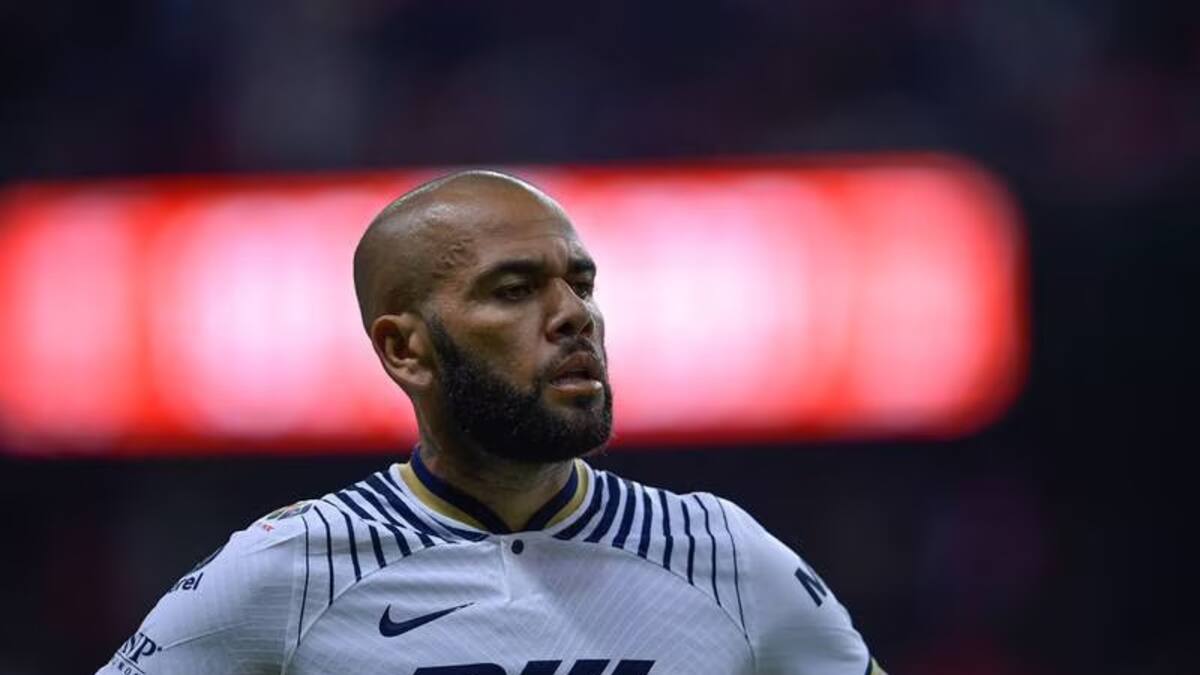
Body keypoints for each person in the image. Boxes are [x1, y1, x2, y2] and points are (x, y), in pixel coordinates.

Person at [97, 170, 885, 675]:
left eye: (581, 283)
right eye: (514, 290)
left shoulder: (722, 552)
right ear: (405, 349)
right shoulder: (292, 570)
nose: (574, 315)